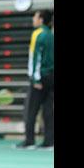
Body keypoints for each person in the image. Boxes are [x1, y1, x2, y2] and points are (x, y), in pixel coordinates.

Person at [16, 9, 54, 150]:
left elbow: (35, 57)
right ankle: (49, 141)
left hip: (40, 77)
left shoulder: (38, 34)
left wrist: (35, 79)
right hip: (51, 77)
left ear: (41, 19)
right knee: (48, 110)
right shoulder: (51, 34)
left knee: (30, 110)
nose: (33, 19)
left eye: (35, 16)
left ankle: (29, 141)